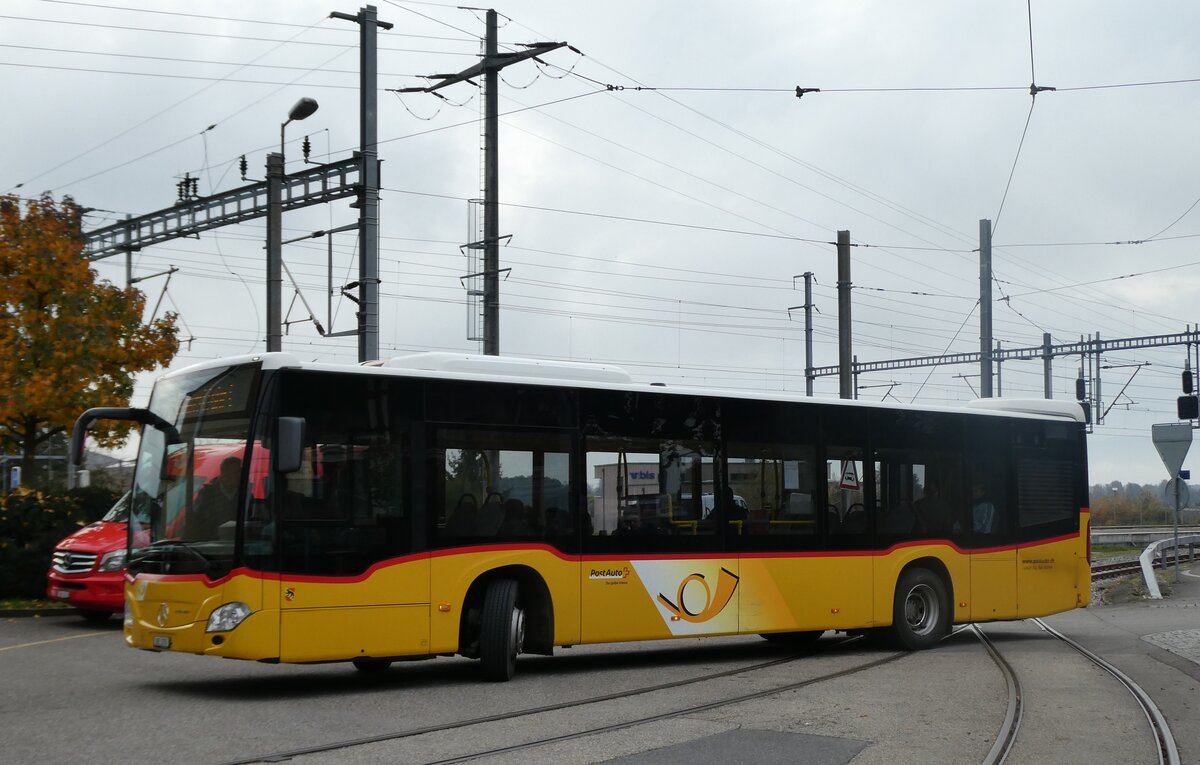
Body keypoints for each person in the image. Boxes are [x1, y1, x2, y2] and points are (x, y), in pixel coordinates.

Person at [187, 456, 241, 541]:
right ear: (225, 474)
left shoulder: (244, 493)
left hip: (235, 544)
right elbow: (195, 520)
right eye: (236, 472)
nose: (239, 476)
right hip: (211, 545)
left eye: (240, 472)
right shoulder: (208, 493)